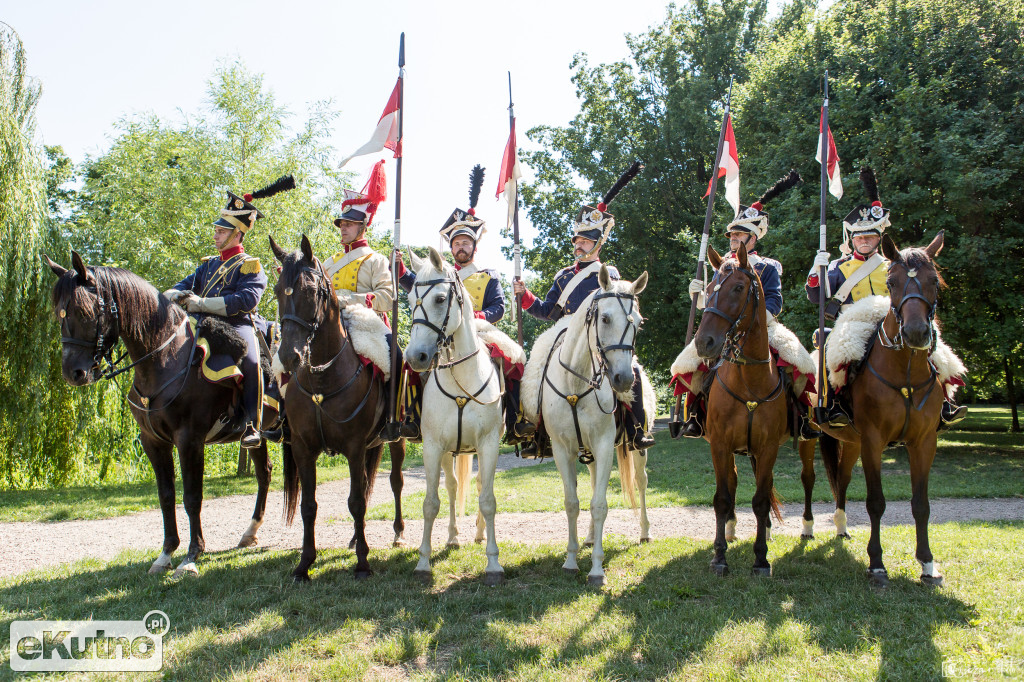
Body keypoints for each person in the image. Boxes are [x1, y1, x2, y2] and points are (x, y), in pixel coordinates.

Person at [805, 166, 966, 427]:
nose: (865, 241)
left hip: (891, 317)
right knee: (833, 352)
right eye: (859, 237)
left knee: (936, 346)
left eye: (870, 236)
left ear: (880, 239)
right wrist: (816, 269)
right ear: (852, 239)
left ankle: (944, 403)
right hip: (852, 322)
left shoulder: (896, 264)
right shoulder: (836, 267)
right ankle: (833, 404)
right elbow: (816, 298)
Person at [514, 161, 653, 454]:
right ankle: (536, 433)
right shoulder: (563, 275)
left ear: (598, 242)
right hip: (563, 331)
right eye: (578, 239)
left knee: (632, 369)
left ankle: (636, 429)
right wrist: (525, 296)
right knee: (536, 366)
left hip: (599, 334)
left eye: (586, 240)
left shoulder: (610, 273)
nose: (580, 245)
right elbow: (548, 311)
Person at [394, 165, 534, 442]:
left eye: (465, 243)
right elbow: (417, 288)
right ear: (451, 246)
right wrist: (399, 269)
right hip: (441, 331)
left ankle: (517, 418)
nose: (460, 247)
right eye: (456, 242)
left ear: (474, 247)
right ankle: (413, 417)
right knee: (410, 362)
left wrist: (478, 315)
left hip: (480, 330)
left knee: (515, 358)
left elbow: (500, 307)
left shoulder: (488, 275)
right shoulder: (438, 276)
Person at [165, 176, 294, 448]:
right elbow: (182, 287)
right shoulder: (208, 266)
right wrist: (169, 295)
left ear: (237, 233)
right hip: (202, 325)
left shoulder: (250, 266)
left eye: (221, 231)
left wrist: (200, 303)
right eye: (216, 230)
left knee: (251, 362)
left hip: (238, 325)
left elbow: (245, 301)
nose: (215, 235)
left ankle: (251, 424)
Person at [322, 160, 395, 325]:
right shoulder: (331, 261)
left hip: (365, 323)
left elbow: (387, 298)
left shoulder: (376, 260)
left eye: (348, 224)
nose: (343, 228)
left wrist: (348, 300)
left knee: (396, 352)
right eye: (342, 224)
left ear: (362, 226)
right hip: (330, 322)